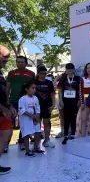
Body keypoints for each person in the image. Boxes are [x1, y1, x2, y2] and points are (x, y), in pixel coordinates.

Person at [6, 56, 35, 150]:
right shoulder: (11, 73)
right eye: (18, 62)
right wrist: (6, 100)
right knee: (9, 122)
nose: (20, 64)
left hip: (25, 101)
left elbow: (32, 88)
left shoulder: (31, 74)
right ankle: (5, 144)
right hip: (13, 101)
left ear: (26, 63)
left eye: (22, 62)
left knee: (24, 123)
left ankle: (21, 142)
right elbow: (7, 87)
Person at [0, 45, 16, 174]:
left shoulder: (1, 73)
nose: (7, 60)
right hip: (1, 111)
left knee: (6, 136)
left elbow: (4, 93)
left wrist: (9, 105)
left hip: (4, 112)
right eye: (4, 57)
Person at [18, 80, 45, 157]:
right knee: (26, 134)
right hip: (26, 120)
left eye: (35, 88)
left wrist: (37, 116)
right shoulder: (22, 99)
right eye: (32, 88)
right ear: (27, 89)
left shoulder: (35, 98)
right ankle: (27, 150)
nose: (34, 90)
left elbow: (38, 108)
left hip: (35, 118)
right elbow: (21, 110)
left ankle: (36, 148)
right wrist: (32, 116)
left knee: (38, 132)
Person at [57, 63, 81, 145]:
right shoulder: (63, 78)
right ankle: (66, 136)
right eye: (68, 69)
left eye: (71, 69)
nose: (69, 71)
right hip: (65, 101)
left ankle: (73, 135)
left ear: (74, 70)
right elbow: (59, 90)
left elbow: (80, 90)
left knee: (74, 118)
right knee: (66, 118)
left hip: (75, 101)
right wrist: (60, 100)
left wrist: (80, 100)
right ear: (66, 70)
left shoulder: (78, 78)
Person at [35, 66, 55, 148]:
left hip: (47, 106)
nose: (43, 75)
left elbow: (53, 94)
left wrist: (53, 104)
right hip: (36, 107)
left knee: (46, 123)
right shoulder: (34, 82)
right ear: (38, 73)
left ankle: (47, 140)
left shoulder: (49, 82)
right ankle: (37, 142)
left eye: (44, 73)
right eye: (41, 73)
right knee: (37, 124)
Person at [53, 73, 65, 138]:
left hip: (71, 100)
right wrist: (57, 78)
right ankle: (62, 131)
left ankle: (70, 131)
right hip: (61, 99)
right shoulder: (61, 80)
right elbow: (53, 85)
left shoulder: (74, 78)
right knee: (62, 116)